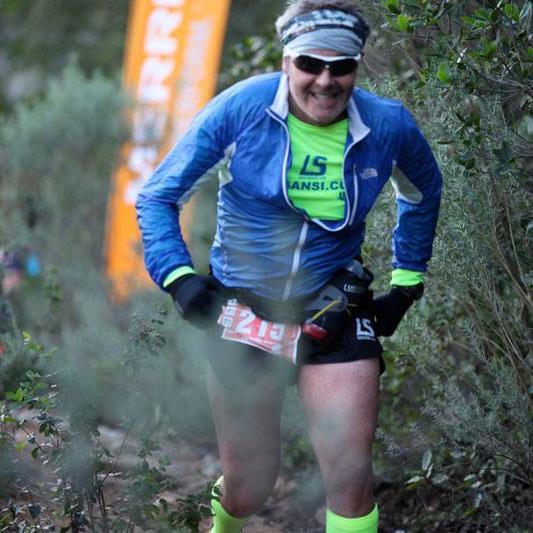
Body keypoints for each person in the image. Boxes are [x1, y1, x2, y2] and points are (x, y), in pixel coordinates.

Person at [136, 1, 442, 531]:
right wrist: (181, 280)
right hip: (245, 312)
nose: (325, 81)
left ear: (357, 66)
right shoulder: (241, 109)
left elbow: (423, 191)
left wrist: (406, 284)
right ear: (286, 62)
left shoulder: (387, 125)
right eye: (310, 64)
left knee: (349, 477)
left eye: (341, 66)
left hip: (334, 307)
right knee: (249, 489)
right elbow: (158, 195)